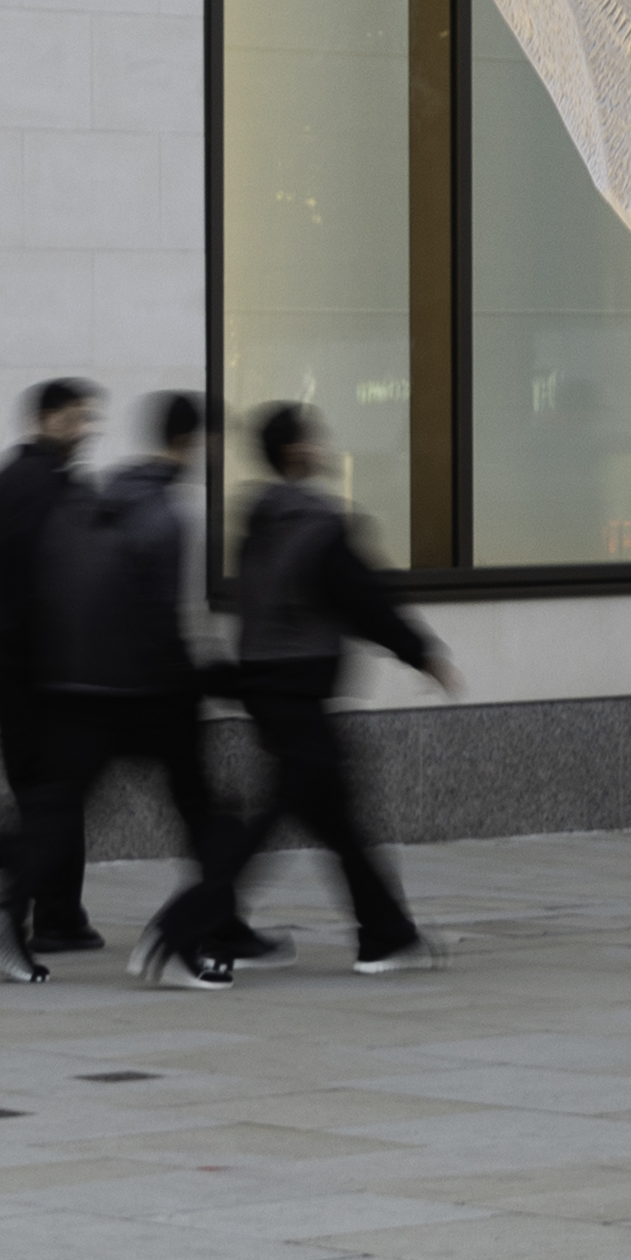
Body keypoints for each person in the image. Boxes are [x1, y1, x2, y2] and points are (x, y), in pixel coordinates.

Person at [0, 394, 252, 987]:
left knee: (60, 808)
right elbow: (167, 619)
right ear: (198, 443)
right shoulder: (167, 513)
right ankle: (183, 942)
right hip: (149, 693)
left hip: (82, 688)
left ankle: (3, 920)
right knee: (214, 816)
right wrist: (209, 680)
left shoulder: (103, 493)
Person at [222, 404, 467, 975]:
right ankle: (199, 920)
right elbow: (362, 599)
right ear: (294, 453)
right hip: (301, 685)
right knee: (288, 813)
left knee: (334, 817)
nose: (321, 446)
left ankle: (384, 934)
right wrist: (422, 653)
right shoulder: (317, 523)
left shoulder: (256, 520)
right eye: (312, 439)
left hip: (264, 682)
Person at [0, 380, 107, 955]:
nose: (86, 430)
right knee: (55, 794)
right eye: (77, 419)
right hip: (50, 671)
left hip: (7, 666)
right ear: (46, 418)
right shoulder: (54, 493)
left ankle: (51, 906)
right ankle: (51, 910)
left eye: (89, 419)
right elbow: (69, 582)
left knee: (39, 791)